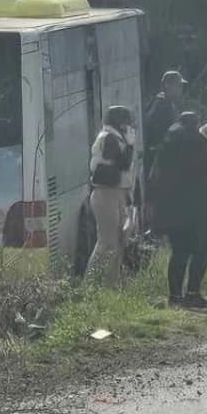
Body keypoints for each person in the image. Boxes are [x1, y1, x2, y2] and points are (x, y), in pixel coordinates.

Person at [151, 111, 207, 308]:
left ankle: (175, 296)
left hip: (172, 209)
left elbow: (155, 175)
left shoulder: (168, 139)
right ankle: (192, 293)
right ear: (196, 123)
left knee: (179, 252)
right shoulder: (197, 141)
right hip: (197, 209)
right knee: (203, 250)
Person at [86, 105, 137, 286]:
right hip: (105, 193)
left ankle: (111, 284)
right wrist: (130, 146)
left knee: (119, 241)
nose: (128, 125)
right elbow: (122, 164)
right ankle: (90, 283)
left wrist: (130, 201)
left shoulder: (116, 137)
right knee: (107, 242)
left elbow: (126, 175)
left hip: (118, 193)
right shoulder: (108, 138)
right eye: (125, 121)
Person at [143, 70, 185, 172]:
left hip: (165, 155)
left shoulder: (168, 102)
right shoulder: (160, 104)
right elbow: (156, 131)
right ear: (167, 85)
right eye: (178, 85)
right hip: (160, 158)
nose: (181, 89)